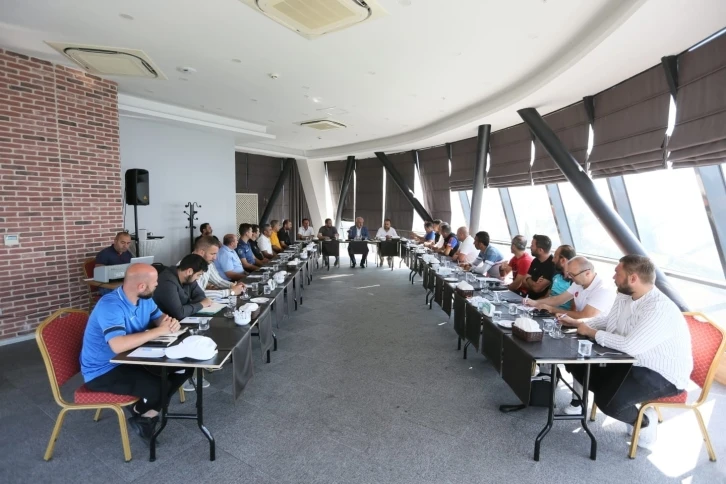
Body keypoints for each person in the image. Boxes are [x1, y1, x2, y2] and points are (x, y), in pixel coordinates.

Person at [564, 255, 692, 448]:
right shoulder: (624, 295)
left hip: (662, 373)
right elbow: (609, 321)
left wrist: (591, 332)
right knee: (577, 364)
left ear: (633, 278)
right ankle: (619, 397)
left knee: (609, 402)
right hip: (630, 361)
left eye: (617, 273)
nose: (613, 277)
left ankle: (644, 421)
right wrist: (579, 324)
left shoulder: (659, 308)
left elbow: (631, 346)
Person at [80, 263, 194, 443]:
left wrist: (168, 322)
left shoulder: (144, 298)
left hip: (131, 357)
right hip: (103, 370)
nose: (157, 285)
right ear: (141, 286)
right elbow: (117, 346)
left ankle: (145, 412)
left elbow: (158, 317)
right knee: (160, 386)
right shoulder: (110, 306)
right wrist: (158, 331)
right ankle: (143, 414)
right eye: (155, 283)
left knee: (184, 367)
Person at [153, 254, 212, 320]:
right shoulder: (167, 282)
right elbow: (179, 313)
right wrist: (202, 304)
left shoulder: (189, 278)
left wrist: (186, 308)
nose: (198, 278)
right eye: (198, 275)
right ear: (189, 271)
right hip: (163, 322)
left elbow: (201, 295)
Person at [522, 234, 555, 300]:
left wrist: (528, 279)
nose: (530, 247)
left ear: (540, 250)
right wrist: (534, 283)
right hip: (528, 298)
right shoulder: (535, 261)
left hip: (539, 302)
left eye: (532, 245)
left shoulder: (552, 265)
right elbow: (523, 282)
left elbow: (537, 289)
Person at [549, 245, 577, 310]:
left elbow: (573, 310)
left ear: (563, 260)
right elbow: (548, 297)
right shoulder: (556, 276)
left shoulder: (575, 283)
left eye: (555, 257)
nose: (552, 260)